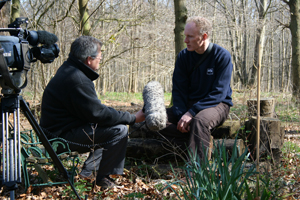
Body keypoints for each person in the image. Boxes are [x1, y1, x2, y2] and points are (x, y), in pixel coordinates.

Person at [40, 36, 145, 190]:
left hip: (57, 132)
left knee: (108, 125)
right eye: (99, 58)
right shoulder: (77, 79)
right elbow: (98, 114)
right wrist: (132, 118)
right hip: (59, 139)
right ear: (89, 60)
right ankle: (103, 179)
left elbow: (93, 112)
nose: (100, 60)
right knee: (119, 130)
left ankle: (88, 173)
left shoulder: (70, 70)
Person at [159, 16, 233, 161]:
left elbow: (218, 93)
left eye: (190, 37)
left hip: (217, 104)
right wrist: (182, 115)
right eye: (185, 36)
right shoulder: (183, 57)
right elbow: (179, 90)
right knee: (155, 119)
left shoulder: (222, 56)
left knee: (199, 121)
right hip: (189, 105)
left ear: (204, 36)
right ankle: (200, 139)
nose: (185, 40)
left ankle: (197, 173)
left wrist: (191, 113)